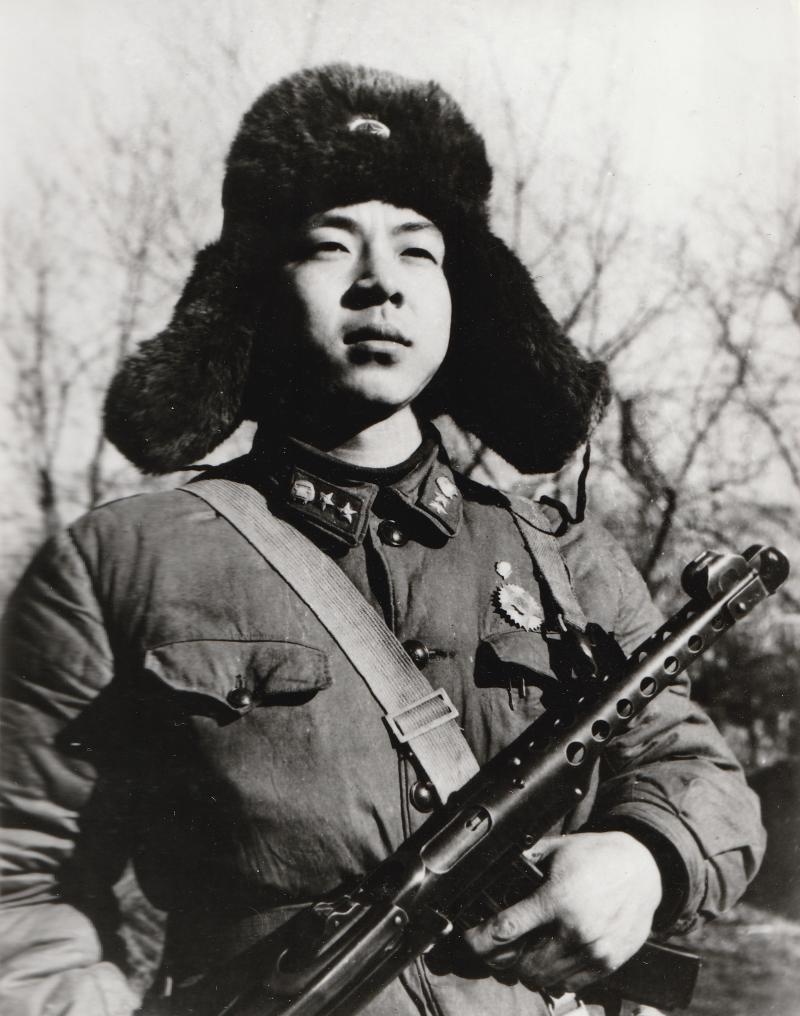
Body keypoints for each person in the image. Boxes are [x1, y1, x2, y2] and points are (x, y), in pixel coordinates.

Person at [0, 64, 765, 1016]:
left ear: (460, 299)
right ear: (255, 290)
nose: (380, 285)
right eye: (330, 246)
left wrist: (643, 859)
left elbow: (693, 770)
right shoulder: (120, 561)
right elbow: (22, 878)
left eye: (418, 252)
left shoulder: (562, 557)